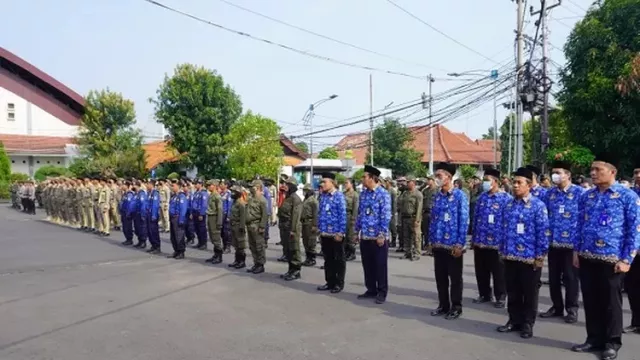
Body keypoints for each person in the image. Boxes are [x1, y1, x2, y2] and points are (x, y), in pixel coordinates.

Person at [571, 154, 640, 360]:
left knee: (611, 302)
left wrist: (627, 259)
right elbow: (579, 225)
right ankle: (593, 339)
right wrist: (576, 251)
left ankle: (612, 342)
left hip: (612, 259)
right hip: (587, 256)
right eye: (592, 169)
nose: (593, 173)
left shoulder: (627, 197)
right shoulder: (587, 196)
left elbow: (635, 230)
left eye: (598, 170)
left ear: (612, 172)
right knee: (591, 300)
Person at [496, 167, 550, 339]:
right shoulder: (509, 205)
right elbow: (502, 229)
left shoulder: (538, 206)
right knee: (513, 291)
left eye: (519, 183)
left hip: (529, 257)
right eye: (514, 182)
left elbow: (543, 232)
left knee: (530, 293)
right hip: (510, 255)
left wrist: (540, 255)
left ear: (528, 185)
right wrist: (502, 249)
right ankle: (513, 320)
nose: (515, 186)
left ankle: (527, 324)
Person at [539, 159, 583, 324]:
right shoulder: (549, 194)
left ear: (568, 175)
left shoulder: (580, 193)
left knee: (571, 278)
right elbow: (544, 216)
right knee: (553, 277)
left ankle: (571, 309)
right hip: (553, 242)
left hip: (572, 244)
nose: (555, 176)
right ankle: (557, 307)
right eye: (553, 173)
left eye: (558, 173)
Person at [430, 163, 469, 320]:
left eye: (440, 176)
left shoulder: (460, 196)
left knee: (455, 278)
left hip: (453, 245)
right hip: (439, 244)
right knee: (440, 277)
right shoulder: (437, 196)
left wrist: (460, 244)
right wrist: (431, 240)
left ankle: (456, 307)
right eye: (436, 175)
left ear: (449, 177)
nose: (437, 178)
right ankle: (443, 305)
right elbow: (433, 220)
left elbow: (464, 221)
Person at [471, 167, 510, 308]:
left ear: (496, 182)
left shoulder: (506, 199)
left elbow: (509, 221)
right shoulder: (482, 197)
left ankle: (501, 296)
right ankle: (484, 294)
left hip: (497, 242)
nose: (485, 183)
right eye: (484, 180)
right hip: (480, 241)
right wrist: (474, 238)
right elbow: (476, 218)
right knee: (481, 270)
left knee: (499, 272)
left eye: (487, 180)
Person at [355, 165, 392, 304]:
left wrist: (382, 234)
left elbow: (386, 215)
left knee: (380, 265)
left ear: (372, 178)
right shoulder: (364, 194)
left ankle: (382, 291)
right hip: (365, 235)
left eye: (364, 177)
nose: (362, 179)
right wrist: (356, 230)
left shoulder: (383, 194)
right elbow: (360, 213)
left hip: (378, 237)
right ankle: (371, 289)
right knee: (368, 264)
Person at [316, 173, 347, 293]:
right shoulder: (323, 196)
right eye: (321, 182)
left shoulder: (339, 196)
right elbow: (321, 213)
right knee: (328, 259)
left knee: (338, 259)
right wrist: (319, 228)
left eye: (324, 182)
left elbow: (342, 215)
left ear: (332, 183)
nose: (322, 184)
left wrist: (341, 232)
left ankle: (339, 283)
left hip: (336, 233)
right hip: (325, 233)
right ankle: (330, 282)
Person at [279, 177, 303, 281]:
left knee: (294, 249)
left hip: (292, 228)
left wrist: (293, 230)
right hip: (285, 226)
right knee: (288, 249)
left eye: (288, 185)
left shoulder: (295, 199)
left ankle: (296, 270)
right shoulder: (288, 197)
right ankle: (290, 269)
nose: (286, 186)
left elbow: (296, 216)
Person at [246, 180, 268, 274]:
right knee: (252, 246)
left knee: (259, 246)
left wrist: (262, 226)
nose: (251, 188)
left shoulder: (262, 200)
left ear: (258, 187)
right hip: (250, 224)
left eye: (253, 187)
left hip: (257, 225)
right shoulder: (251, 198)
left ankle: (261, 265)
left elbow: (265, 215)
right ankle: (256, 263)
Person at [400, 176, 423, 261]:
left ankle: (417, 253)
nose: (407, 183)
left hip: (413, 217)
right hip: (405, 217)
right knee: (406, 236)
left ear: (413, 182)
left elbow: (419, 207)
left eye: (408, 182)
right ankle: (407, 252)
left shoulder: (418, 194)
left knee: (416, 237)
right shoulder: (405, 193)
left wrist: (417, 220)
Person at [205, 180, 224, 264]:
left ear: (214, 185)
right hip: (210, 217)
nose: (208, 186)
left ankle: (219, 256)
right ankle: (215, 255)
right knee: (212, 237)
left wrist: (219, 222)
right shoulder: (211, 195)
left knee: (216, 238)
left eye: (210, 185)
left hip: (215, 217)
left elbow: (220, 210)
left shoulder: (217, 196)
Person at [228, 185, 247, 269]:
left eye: (234, 192)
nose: (232, 193)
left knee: (240, 245)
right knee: (235, 245)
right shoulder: (234, 202)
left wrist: (242, 228)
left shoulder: (241, 203)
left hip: (238, 226)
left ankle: (242, 262)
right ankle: (237, 260)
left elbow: (243, 217)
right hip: (233, 225)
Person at [168, 180, 188, 259]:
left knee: (179, 236)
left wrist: (181, 220)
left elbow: (183, 209)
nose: (172, 187)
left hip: (177, 218)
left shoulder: (181, 196)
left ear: (178, 186)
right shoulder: (174, 196)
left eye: (174, 186)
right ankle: (176, 250)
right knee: (173, 236)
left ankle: (181, 252)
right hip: (172, 217)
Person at [301, 183, 319, 267]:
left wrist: (314, 225)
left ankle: (312, 259)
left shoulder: (313, 201)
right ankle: (308, 258)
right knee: (305, 241)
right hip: (304, 222)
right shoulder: (306, 199)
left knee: (311, 241)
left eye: (306, 190)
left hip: (310, 222)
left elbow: (315, 214)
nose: (304, 192)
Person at [343, 178, 360, 261]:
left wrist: (354, 219)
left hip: (350, 216)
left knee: (350, 236)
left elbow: (355, 208)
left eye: (346, 183)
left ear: (351, 184)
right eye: (344, 183)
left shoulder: (355, 194)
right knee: (344, 236)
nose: (345, 184)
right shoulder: (344, 194)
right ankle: (346, 252)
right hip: (343, 216)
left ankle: (352, 253)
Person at [192, 179, 209, 250]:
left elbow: (204, 205)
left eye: (196, 183)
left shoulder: (203, 193)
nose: (195, 185)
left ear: (200, 184)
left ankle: (203, 243)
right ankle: (199, 242)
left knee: (202, 229)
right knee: (197, 229)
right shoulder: (196, 192)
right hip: (195, 212)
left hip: (200, 213)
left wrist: (201, 214)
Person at [421, 176, 436, 255]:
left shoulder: (437, 190)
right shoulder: (425, 191)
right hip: (425, 212)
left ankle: (433, 248)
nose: (427, 181)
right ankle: (427, 247)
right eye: (427, 180)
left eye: (429, 180)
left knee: (433, 231)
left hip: (433, 213)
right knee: (425, 231)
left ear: (433, 181)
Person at [146, 179, 161, 254]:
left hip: (153, 215)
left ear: (151, 184)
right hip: (148, 214)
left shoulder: (155, 193)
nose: (146, 185)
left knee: (154, 231)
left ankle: (157, 247)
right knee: (149, 231)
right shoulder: (149, 193)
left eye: (148, 184)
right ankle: (153, 245)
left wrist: (154, 215)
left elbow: (155, 205)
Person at [133, 180, 148, 248]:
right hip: (136, 213)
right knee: (137, 228)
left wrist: (142, 214)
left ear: (137, 185)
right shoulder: (136, 193)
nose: (133, 186)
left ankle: (143, 241)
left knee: (142, 228)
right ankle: (139, 241)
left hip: (140, 213)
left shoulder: (142, 193)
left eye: (134, 185)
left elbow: (143, 204)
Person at [120, 181, 136, 246]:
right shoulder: (124, 194)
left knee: (128, 227)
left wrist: (128, 212)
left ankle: (130, 239)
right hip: (123, 212)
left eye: (123, 185)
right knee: (124, 227)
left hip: (127, 212)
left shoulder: (130, 194)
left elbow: (129, 204)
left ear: (127, 186)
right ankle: (127, 239)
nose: (122, 186)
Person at [384, 178, 399, 248]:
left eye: (386, 181)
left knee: (393, 227)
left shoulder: (392, 191)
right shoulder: (385, 190)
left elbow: (394, 203)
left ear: (389, 182)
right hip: (386, 212)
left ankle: (394, 241)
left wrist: (393, 212)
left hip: (391, 212)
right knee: (387, 227)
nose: (385, 183)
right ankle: (388, 240)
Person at [220, 180, 233, 254]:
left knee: (226, 231)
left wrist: (228, 216)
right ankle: (224, 245)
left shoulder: (229, 194)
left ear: (226, 185)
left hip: (226, 214)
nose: (220, 185)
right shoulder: (221, 193)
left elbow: (230, 206)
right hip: (221, 214)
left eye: (222, 184)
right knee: (222, 232)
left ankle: (228, 247)